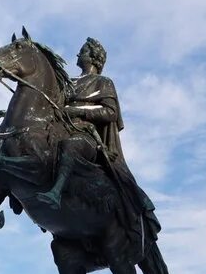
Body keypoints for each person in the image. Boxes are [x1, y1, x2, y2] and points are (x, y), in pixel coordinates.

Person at [35, 37, 158, 254]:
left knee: (70, 145)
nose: (77, 55)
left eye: (82, 51)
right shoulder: (69, 83)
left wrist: (79, 111)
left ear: (93, 57)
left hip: (87, 138)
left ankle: (55, 192)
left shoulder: (104, 83)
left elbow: (110, 113)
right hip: (62, 131)